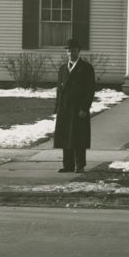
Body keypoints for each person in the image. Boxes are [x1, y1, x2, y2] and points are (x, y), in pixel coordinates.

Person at [54, 37, 96, 173]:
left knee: (78, 137)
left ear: (79, 51)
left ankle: (80, 165)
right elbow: (59, 91)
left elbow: (90, 90)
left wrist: (85, 108)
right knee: (66, 137)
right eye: (68, 51)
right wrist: (57, 108)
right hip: (65, 108)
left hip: (78, 109)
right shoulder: (62, 69)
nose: (71, 53)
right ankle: (68, 165)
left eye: (73, 51)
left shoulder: (86, 68)